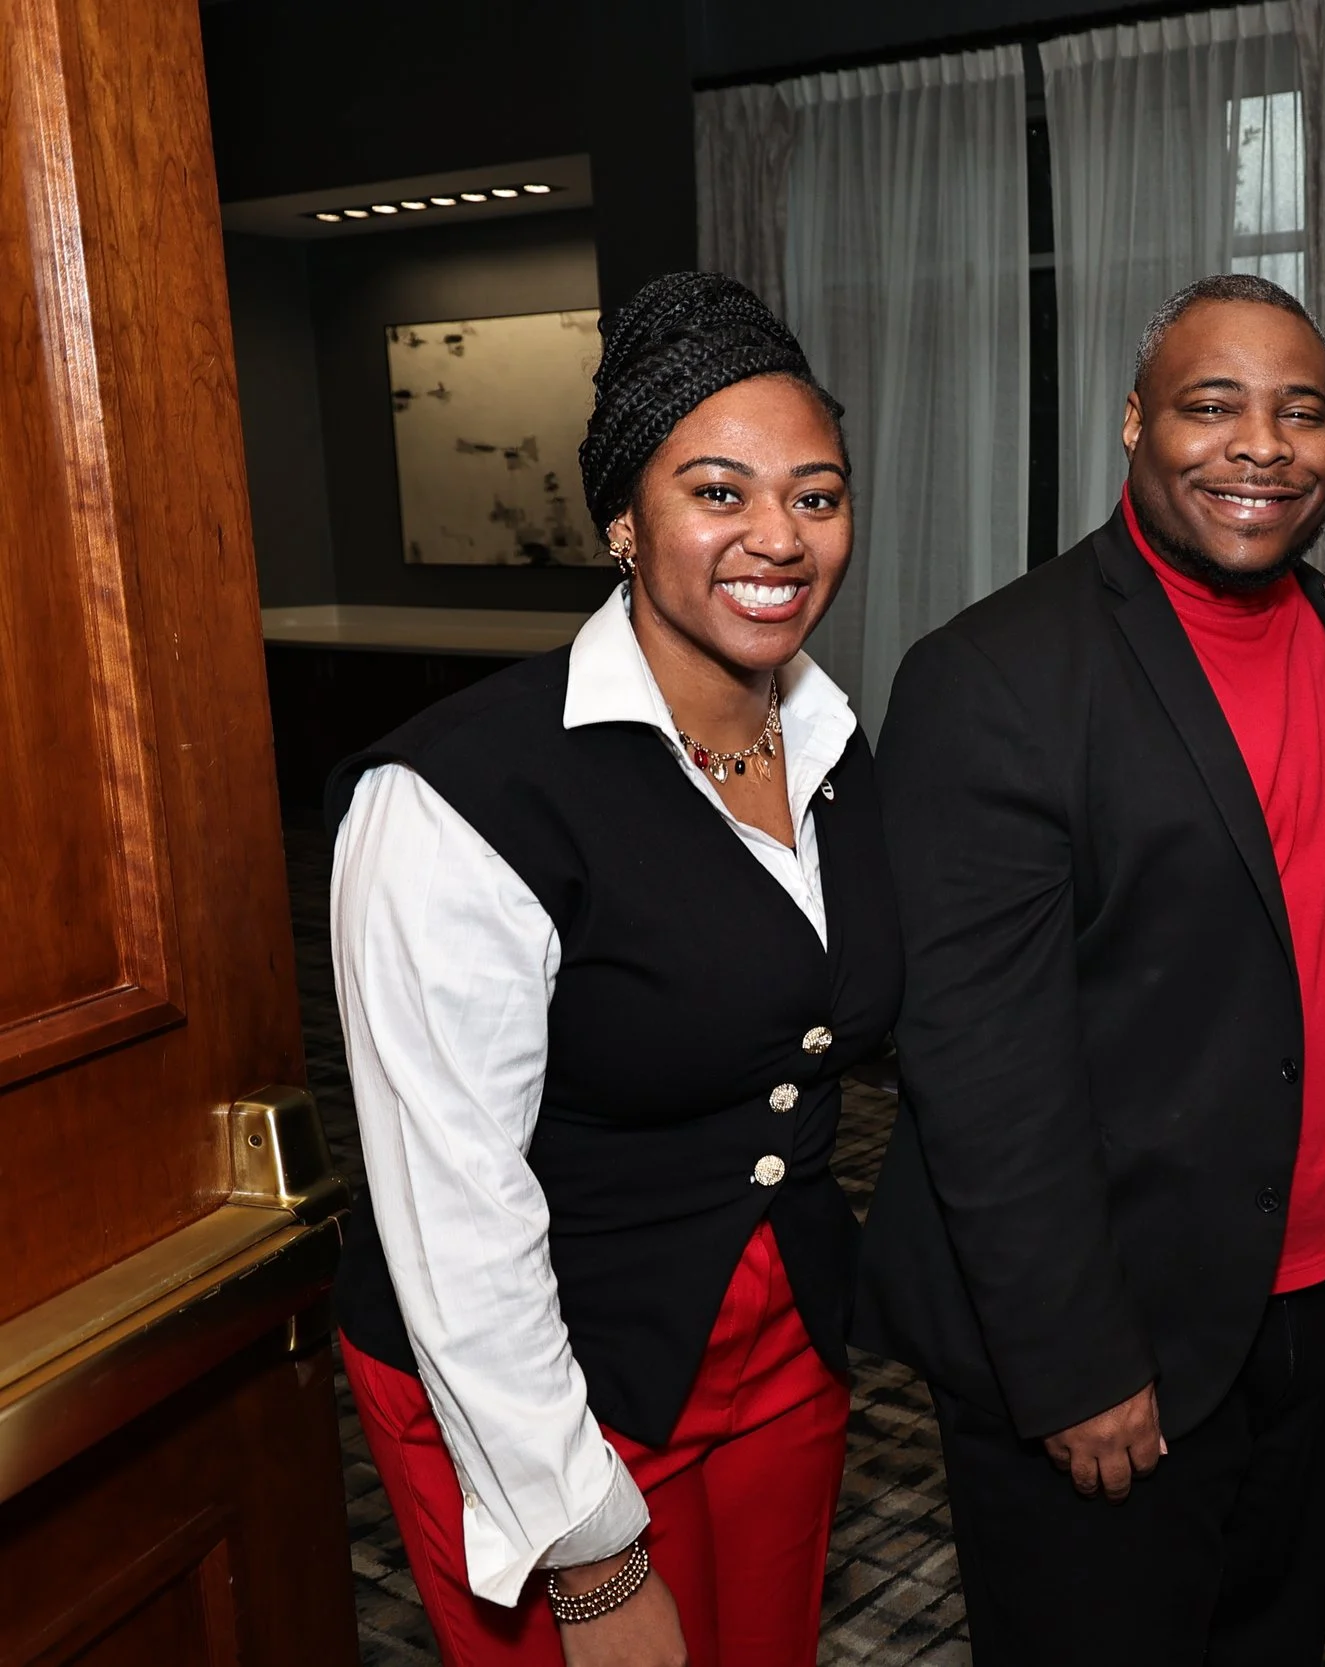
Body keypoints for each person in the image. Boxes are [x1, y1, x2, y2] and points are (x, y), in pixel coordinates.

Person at [856, 273, 1325, 1666]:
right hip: (1117, 1327)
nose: (1263, 444)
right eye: (1212, 405)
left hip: (1312, 1290)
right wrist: (1075, 1360)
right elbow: (979, 1062)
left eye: (1301, 411)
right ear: (1133, 423)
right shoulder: (995, 672)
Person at [329, 272, 899, 1667]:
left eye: (817, 495)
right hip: (529, 1376)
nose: (779, 535)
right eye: (720, 491)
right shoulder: (461, 795)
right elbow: (454, 1210)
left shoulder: (832, 744)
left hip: (777, 1341)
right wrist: (585, 1553)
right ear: (624, 524)